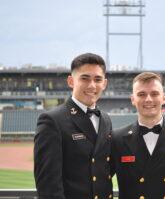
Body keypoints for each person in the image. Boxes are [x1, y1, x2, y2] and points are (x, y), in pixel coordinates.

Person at [34, 53, 113, 199]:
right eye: (85, 78)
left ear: (104, 83)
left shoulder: (106, 120)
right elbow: (48, 186)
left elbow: (103, 169)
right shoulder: (52, 121)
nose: (92, 85)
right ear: (71, 81)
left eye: (97, 79)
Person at [112, 72, 165, 199]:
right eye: (141, 94)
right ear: (133, 99)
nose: (148, 99)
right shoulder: (116, 138)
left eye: (154, 94)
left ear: (164, 98)